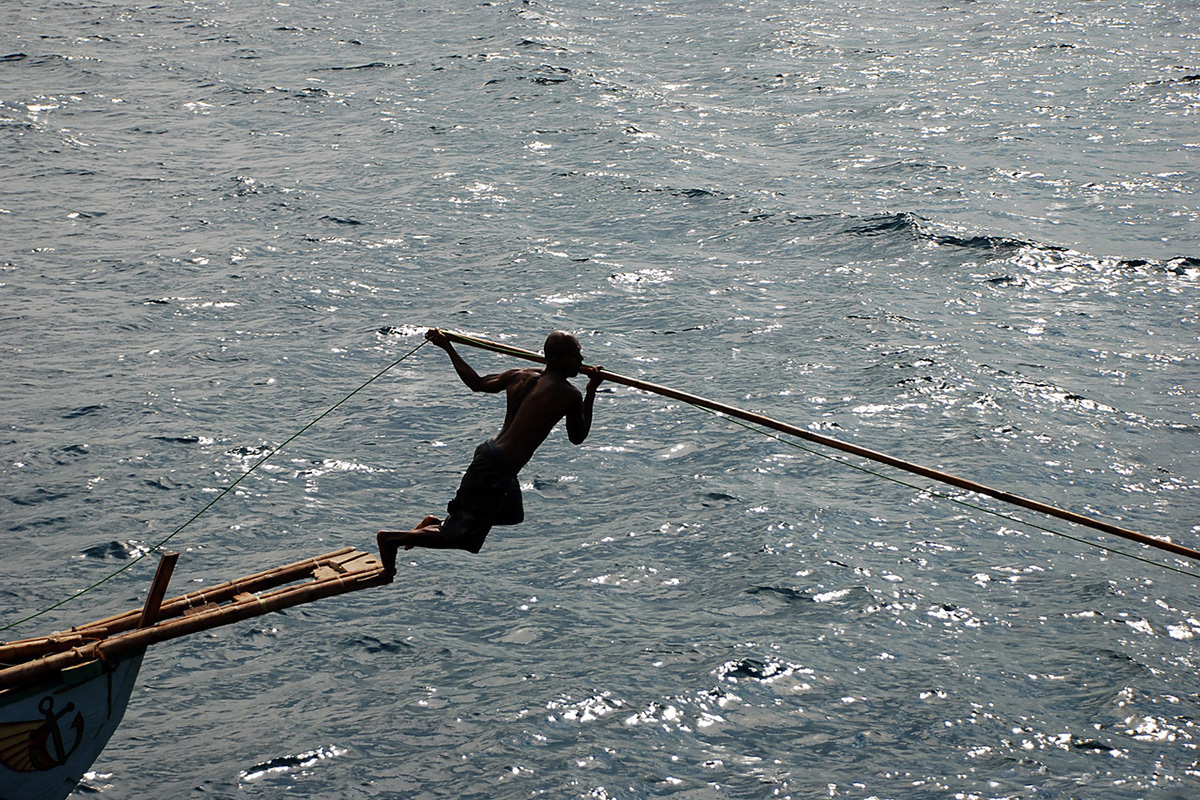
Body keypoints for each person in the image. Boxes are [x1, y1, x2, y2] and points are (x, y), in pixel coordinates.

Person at [377, 328, 603, 575]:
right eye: (575, 355)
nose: (581, 361)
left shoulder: (520, 375)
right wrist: (591, 391)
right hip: (496, 468)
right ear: (557, 358)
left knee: (511, 513)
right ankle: (391, 540)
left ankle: (442, 523)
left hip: (492, 454)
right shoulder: (569, 394)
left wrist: (448, 347)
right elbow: (577, 437)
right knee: (463, 539)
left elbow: (477, 383)